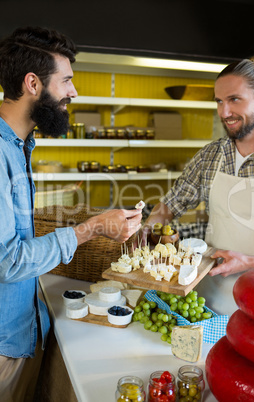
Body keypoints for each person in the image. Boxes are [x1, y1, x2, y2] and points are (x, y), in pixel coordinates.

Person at [0, 26, 142, 401]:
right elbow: (8, 261)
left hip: (24, 330)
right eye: (66, 81)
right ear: (33, 83)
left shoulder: (19, 144)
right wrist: (91, 228)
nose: (73, 92)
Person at [139, 54, 254, 316]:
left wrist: (251, 262)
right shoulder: (210, 156)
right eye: (219, 102)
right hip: (210, 296)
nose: (224, 112)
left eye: (234, 100)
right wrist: (147, 229)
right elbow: (171, 204)